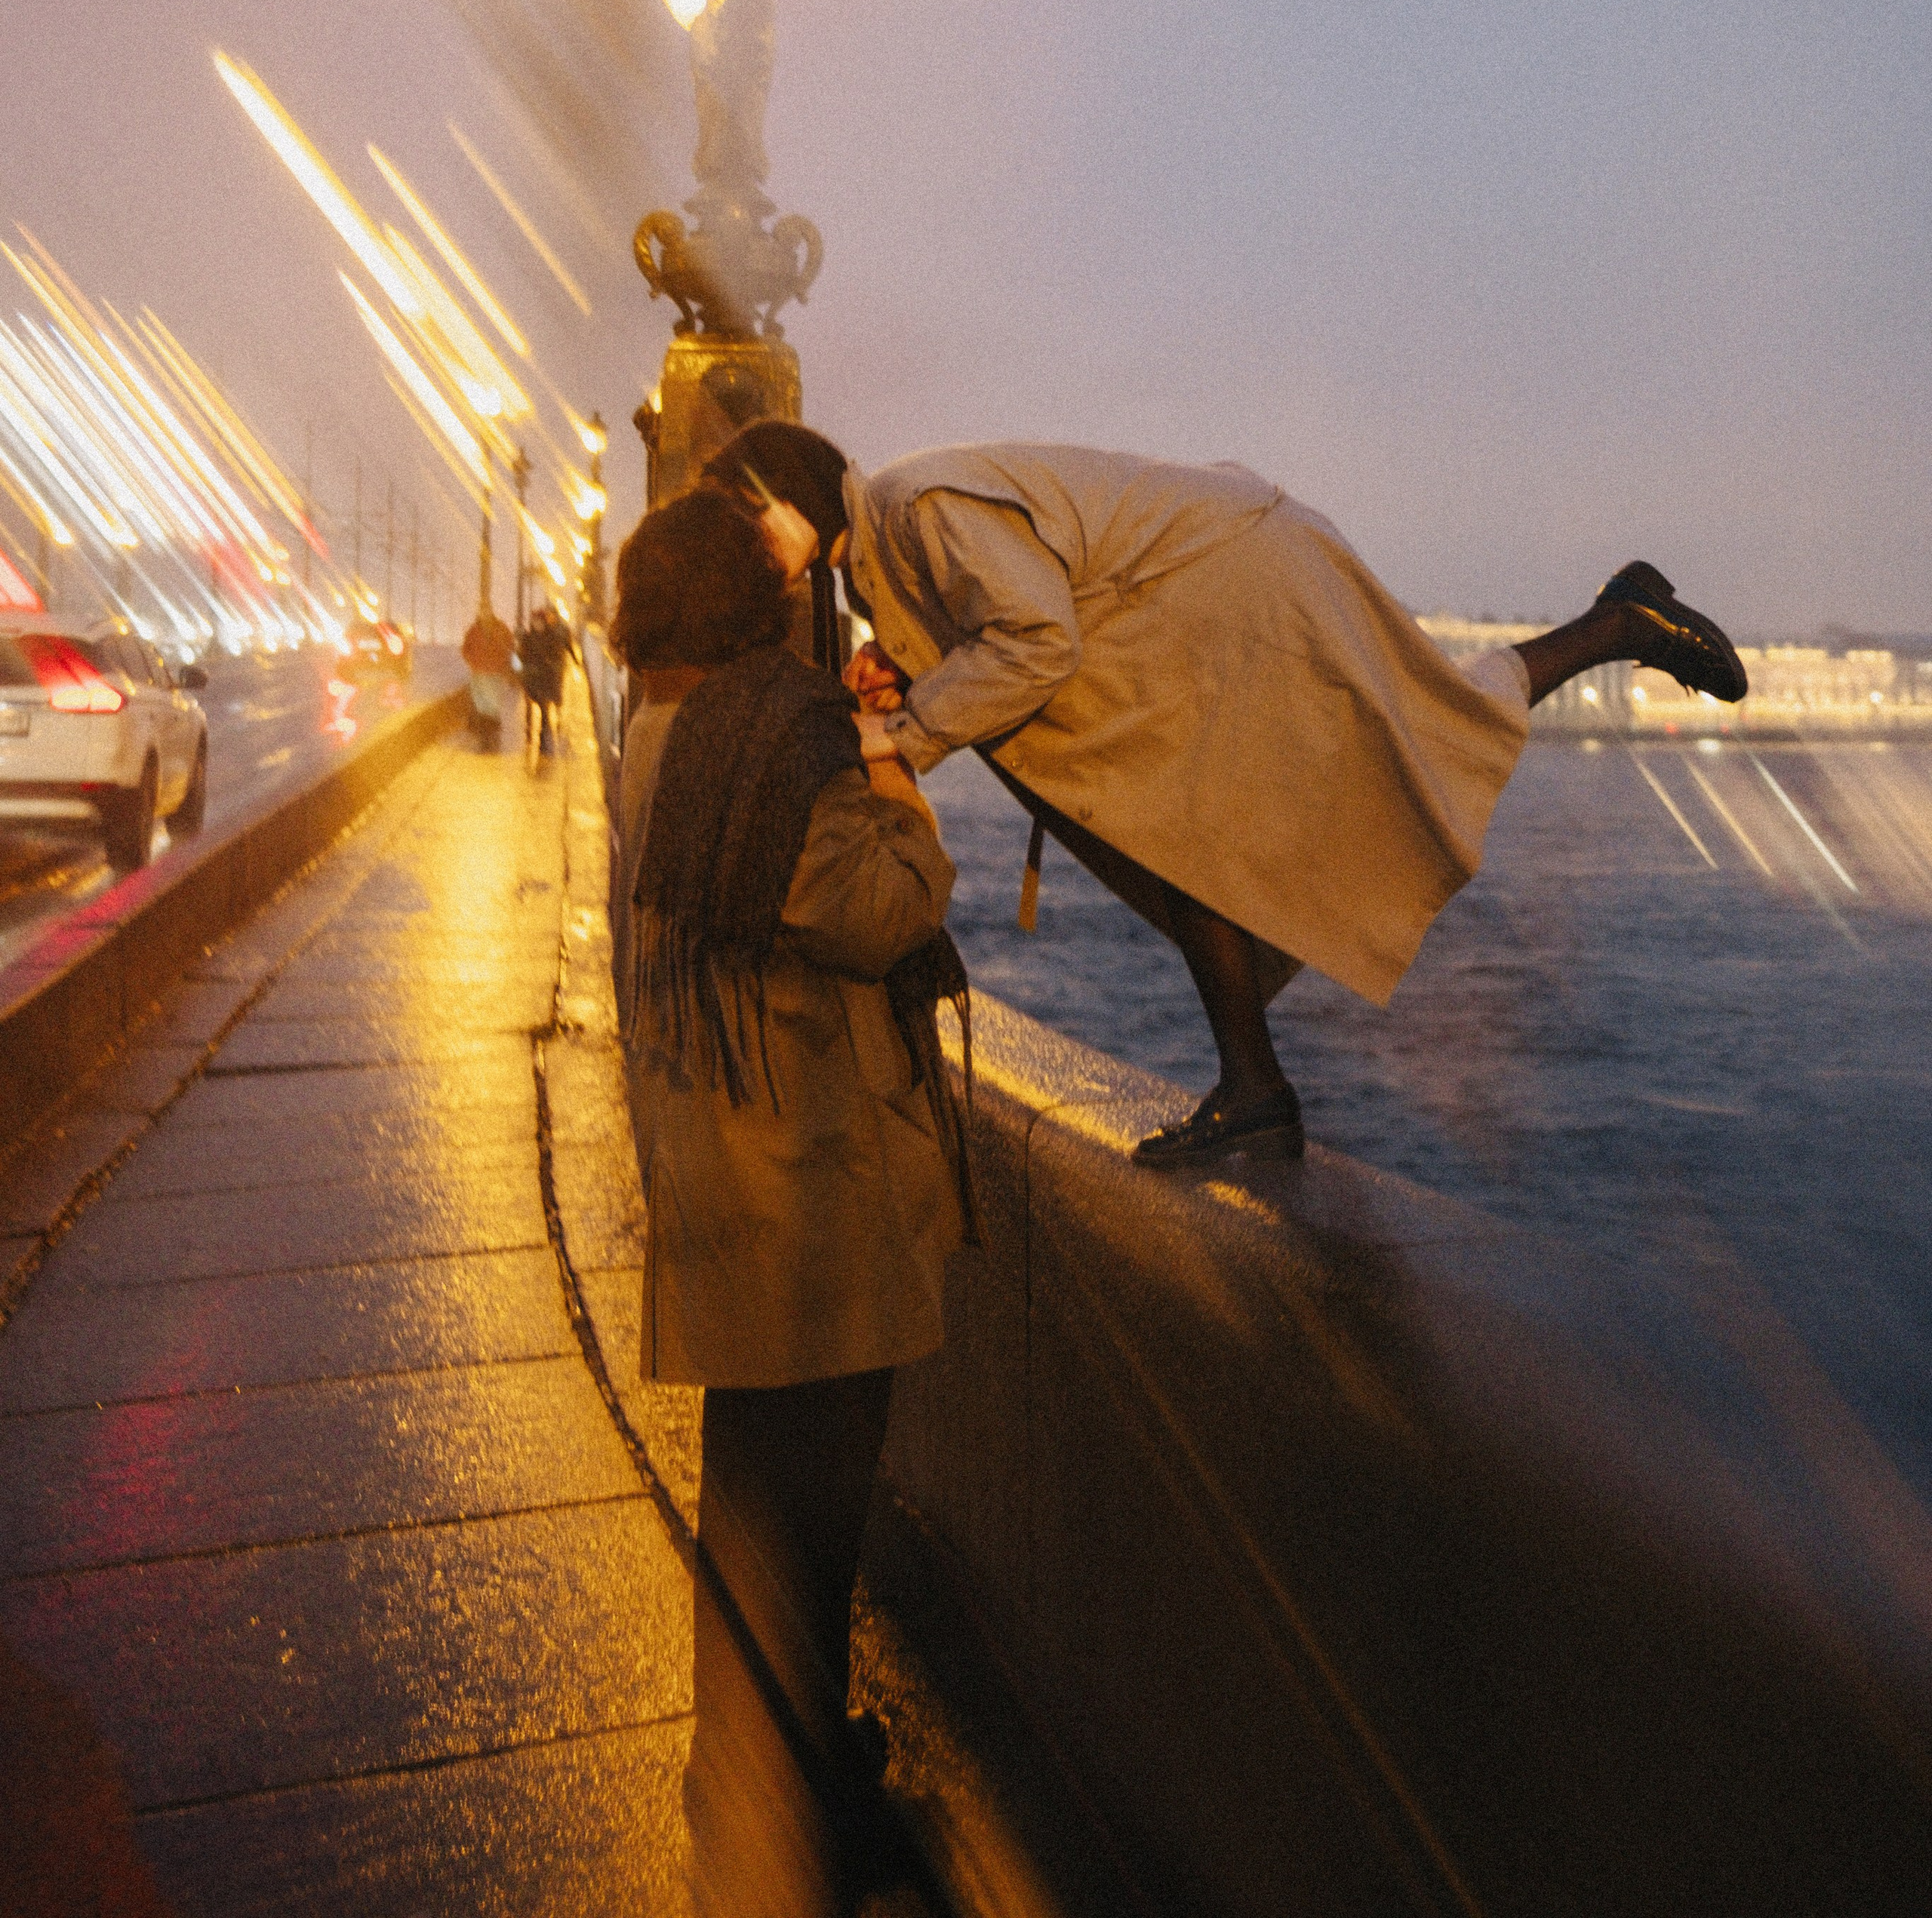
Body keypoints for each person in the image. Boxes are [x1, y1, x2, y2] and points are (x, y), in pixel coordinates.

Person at [700, 420, 1748, 1171]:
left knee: (1192, 825)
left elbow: (1035, 637)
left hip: (1223, 590)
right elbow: (1016, 626)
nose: (749, 551)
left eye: (746, 523)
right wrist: (914, 682)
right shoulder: (888, 533)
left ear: (781, 497)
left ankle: (1257, 1091)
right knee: (1279, 790)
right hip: (1224, 572)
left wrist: (902, 729)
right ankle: (1618, 624)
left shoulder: (909, 506)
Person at [609, 484, 971, 1916]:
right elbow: (898, 902)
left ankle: (786, 1791)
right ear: (748, 615)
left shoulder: (662, 735)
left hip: (726, 1182)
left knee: (763, 1520)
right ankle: (775, 1845)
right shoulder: (772, 757)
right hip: (805, 1197)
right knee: (798, 1543)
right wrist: (884, 748)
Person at [515, 601, 574, 755]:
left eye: (539, 622)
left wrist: (552, 664)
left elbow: (558, 653)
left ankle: (542, 736)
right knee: (532, 704)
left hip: (545, 680)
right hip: (531, 679)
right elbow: (520, 656)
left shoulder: (551, 638)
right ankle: (530, 730)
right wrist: (520, 669)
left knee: (543, 709)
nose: (537, 625)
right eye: (535, 622)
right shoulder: (528, 638)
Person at [459, 603, 515, 749]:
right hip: (479, 674)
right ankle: (486, 737)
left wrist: (503, 661)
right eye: (482, 611)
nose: (485, 613)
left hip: (496, 673)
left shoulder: (500, 628)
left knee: (493, 705)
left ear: (491, 611)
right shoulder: (474, 630)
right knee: (482, 705)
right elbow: (465, 649)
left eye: (487, 611)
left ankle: (491, 734)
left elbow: (510, 646)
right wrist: (473, 662)